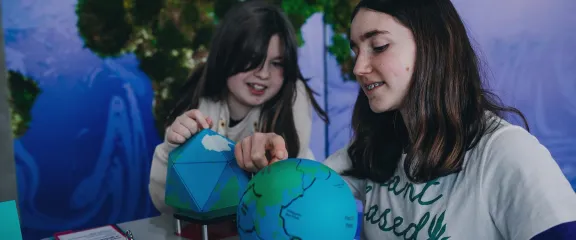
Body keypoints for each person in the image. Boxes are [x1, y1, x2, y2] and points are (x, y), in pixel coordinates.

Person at [234, 0, 576, 239]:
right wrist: (272, 155)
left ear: (433, 47)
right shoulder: (374, 147)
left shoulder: (506, 153)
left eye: (378, 46)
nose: (358, 67)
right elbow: (304, 193)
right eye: (356, 50)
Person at [148, 0, 328, 214]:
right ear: (226, 54)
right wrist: (171, 148)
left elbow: (283, 206)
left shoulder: (293, 98)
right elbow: (167, 206)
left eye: (276, 63)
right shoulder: (198, 103)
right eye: (253, 58)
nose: (263, 74)